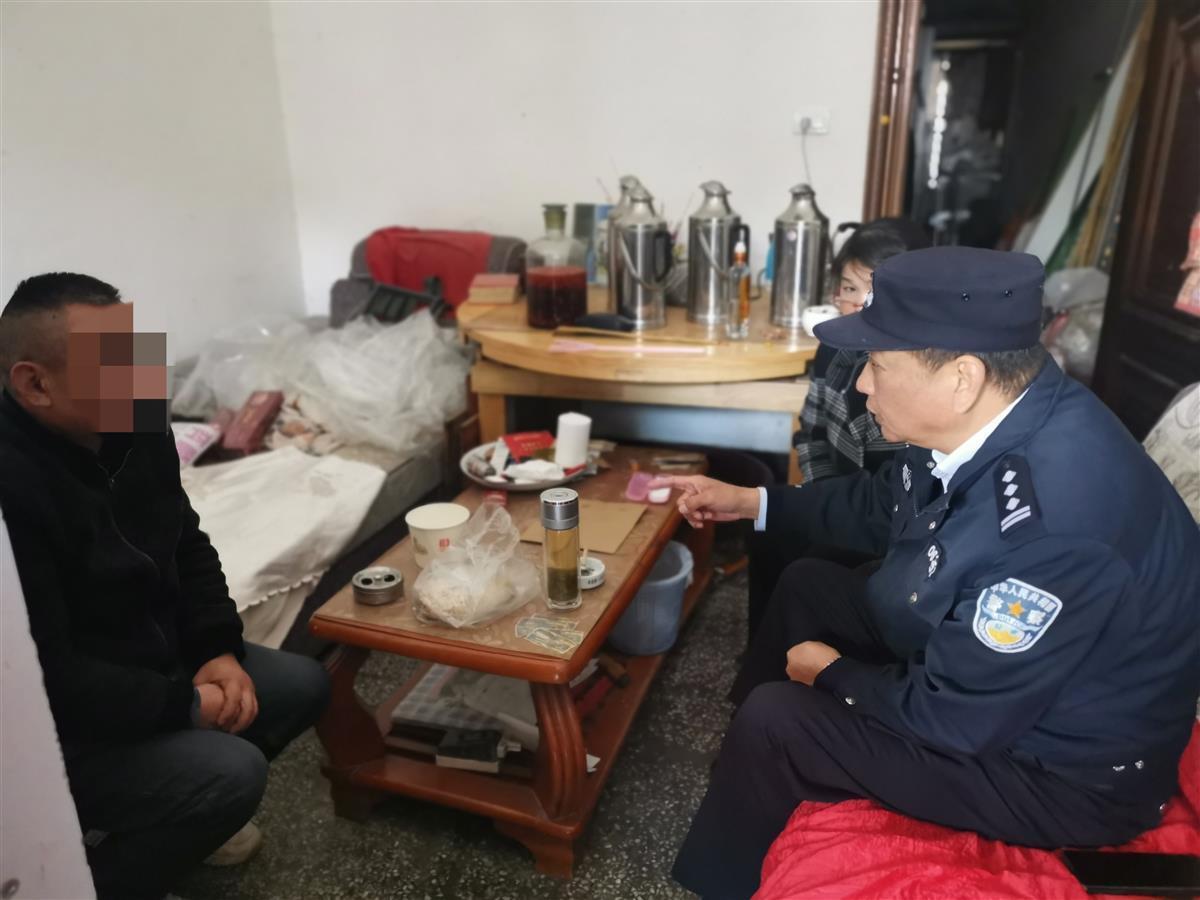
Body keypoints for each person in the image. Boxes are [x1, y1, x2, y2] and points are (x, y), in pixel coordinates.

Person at [656, 247, 1200, 899]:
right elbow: (883, 503)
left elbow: (955, 720)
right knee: (809, 584)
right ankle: (748, 770)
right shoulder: (998, 414)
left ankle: (729, 859)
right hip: (1010, 689)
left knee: (780, 719)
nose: (863, 384)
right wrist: (753, 501)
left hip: (1059, 773)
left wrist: (832, 674)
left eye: (879, 365)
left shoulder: (1056, 525)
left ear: (961, 378)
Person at [0, 274, 330, 900]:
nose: (139, 376)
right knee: (233, 773)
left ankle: (177, 813)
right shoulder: (13, 489)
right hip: (61, 724)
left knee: (302, 685)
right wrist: (184, 706)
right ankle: (84, 881)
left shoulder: (136, 412)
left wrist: (216, 648)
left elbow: (185, 539)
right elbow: (50, 677)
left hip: (155, 659)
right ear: (35, 384)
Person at [747, 218, 930, 644]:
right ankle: (764, 647)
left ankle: (804, 657)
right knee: (769, 532)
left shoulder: (918, 370)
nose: (856, 304)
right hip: (837, 499)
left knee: (809, 569)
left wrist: (835, 520)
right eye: (848, 288)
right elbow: (811, 431)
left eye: (871, 291)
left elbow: (901, 496)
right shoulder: (833, 347)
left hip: (889, 525)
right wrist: (819, 498)